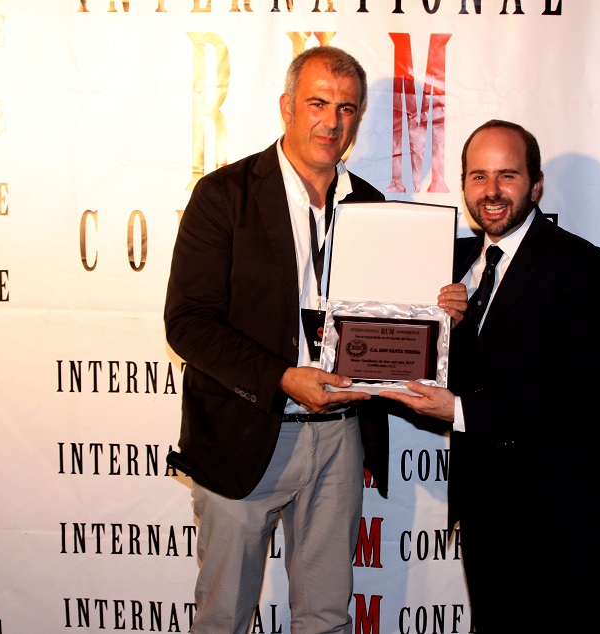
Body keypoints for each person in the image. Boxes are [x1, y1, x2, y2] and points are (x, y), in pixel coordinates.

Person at [164, 46, 393, 634]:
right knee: (223, 618)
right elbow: (188, 322)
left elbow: (390, 319)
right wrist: (283, 378)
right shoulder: (224, 195)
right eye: (318, 103)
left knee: (326, 618)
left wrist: (434, 310)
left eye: (347, 108)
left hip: (340, 436)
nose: (332, 121)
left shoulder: (371, 205)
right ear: (287, 106)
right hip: (244, 432)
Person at [381, 120, 600, 632]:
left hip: (561, 516)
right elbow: (435, 359)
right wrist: (428, 333)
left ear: (535, 186)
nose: (491, 191)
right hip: (484, 511)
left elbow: (576, 388)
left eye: (507, 175)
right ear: (464, 185)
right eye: (478, 176)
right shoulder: (450, 262)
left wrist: (460, 411)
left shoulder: (581, 265)